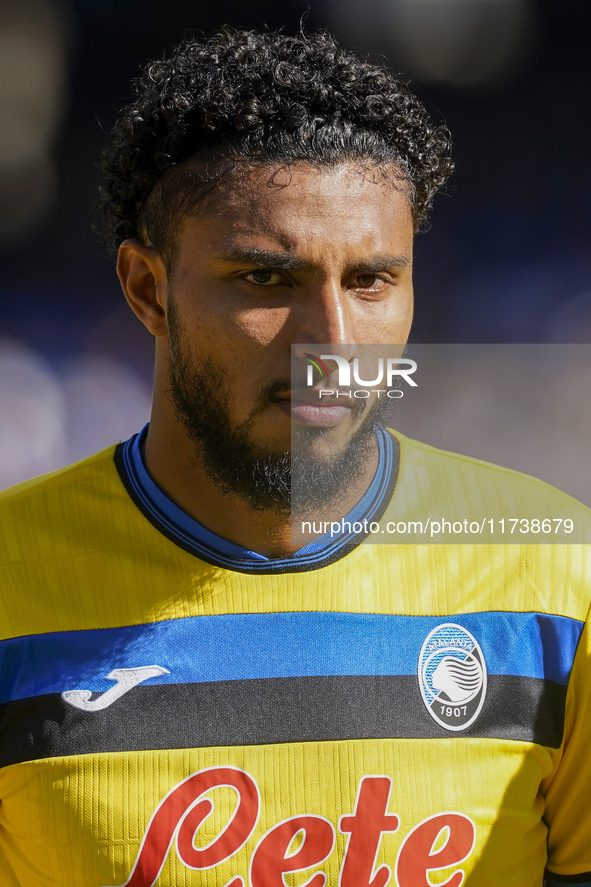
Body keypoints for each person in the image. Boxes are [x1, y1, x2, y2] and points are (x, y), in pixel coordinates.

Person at [0, 28, 589, 887]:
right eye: (266, 280)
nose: (333, 344)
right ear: (147, 290)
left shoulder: (556, 575)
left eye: (370, 281)